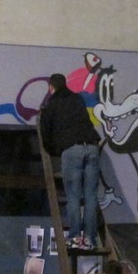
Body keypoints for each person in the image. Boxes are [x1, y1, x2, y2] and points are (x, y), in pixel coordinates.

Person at [39, 73, 101, 249]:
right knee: (90, 196)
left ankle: (74, 237)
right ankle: (89, 239)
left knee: (73, 196)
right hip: (92, 147)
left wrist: (54, 151)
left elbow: (45, 134)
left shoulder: (51, 105)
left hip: (72, 149)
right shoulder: (78, 99)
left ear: (51, 87)